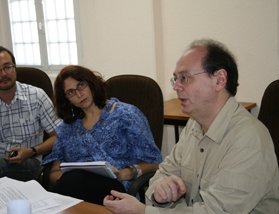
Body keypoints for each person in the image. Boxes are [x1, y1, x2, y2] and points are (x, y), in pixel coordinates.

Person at [103, 39, 279, 213]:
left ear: (219, 80)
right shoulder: (194, 124)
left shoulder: (247, 139)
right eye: (175, 79)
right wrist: (160, 194)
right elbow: (162, 174)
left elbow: (216, 211)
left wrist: (144, 212)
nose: (177, 86)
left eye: (185, 78)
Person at [40, 65, 163, 205]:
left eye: (81, 85)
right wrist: (71, 178)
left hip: (117, 189)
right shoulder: (66, 128)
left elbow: (155, 163)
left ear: (91, 82)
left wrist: (125, 173)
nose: (79, 94)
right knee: (76, 178)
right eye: (70, 92)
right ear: (66, 99)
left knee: (74, 181)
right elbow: (55, 172)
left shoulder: (126, 115)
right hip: (74, 190)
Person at [0, 45, 62, 181]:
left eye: (7, 67)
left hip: (29, 163)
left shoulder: (36, 96)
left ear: (14, 67)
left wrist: (32, 151)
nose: (3, 74)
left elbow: (59, 136)